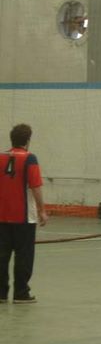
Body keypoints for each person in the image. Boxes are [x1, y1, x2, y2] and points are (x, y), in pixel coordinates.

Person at [0, 124, 48, 304]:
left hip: (2, 216)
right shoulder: (30, 159)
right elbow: (35, 187)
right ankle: (21, 293)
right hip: (23, 217)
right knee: (24, 255)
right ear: (27, 141)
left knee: (2, 255)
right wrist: (42, 210)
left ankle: (1, 293)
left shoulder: (1, 157)